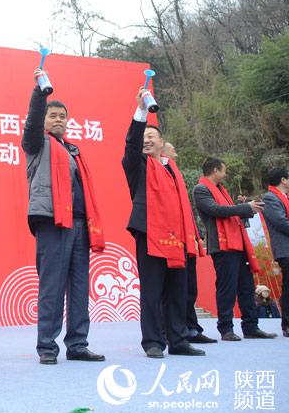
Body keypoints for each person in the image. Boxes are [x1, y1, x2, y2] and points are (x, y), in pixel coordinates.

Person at [22, 69, 106, 365]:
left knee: (80, 287)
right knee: (52, 286)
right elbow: (32, 121)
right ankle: (47, 345)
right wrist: (39, 93)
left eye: (62, 116)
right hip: (52, 220)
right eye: (52, 115)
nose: (58, 120)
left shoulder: (73, 150)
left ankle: (78, 344)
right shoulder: (37, 144)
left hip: (80, 224)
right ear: (44, 120)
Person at [122, 90, 205, 358]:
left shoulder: (172, 169)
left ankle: (178, 340)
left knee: (178, 291)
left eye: (152, 136)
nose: (146, 140)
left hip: (177, 237)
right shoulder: (138, 166)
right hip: (150, 234)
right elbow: (132, 143)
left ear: (162, 143)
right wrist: (141, 112)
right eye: (144, 137)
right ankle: (153, 342)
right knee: (152, 291)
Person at [192, 157, 276, 341]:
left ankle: (251, 326)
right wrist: (244, 207)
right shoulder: (201, 189)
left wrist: (247, 207)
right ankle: (226, 328)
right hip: (222, 245)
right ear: (215, 170)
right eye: (223, 170)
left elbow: (230, 211)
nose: (225, 174)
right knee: (226, 288)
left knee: (247, 287)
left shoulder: (221, 190)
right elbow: (216, 210)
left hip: (238, 243)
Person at [162, 141, 216, 344]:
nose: (176, 153)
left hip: (186, 236)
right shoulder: (158, 170)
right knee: (173, 289)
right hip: (170, 237)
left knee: (189, 287)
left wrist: (194, 233)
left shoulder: (175, 172)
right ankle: (170, 330)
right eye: (173, 149)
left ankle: (190, 328)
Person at [261, 167, 289, 337]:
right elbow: (280, 222)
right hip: (285, 248)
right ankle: (287, 323)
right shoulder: (271, 197)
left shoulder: (285, 197)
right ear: (283, 180)